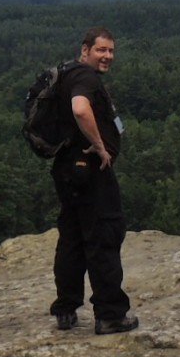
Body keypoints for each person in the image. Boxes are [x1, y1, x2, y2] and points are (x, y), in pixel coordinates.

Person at [49, 26, 138, 335]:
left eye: (112, 51)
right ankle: (111, 314)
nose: (108, 56)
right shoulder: (85, 79)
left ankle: (66, 308)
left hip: (67, 170)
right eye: (102, 50)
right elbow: (80, 108)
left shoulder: (67, 73)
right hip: (89, 171)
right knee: (104, 236)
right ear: (85, 49)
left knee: (72, 236)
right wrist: (100, 146)